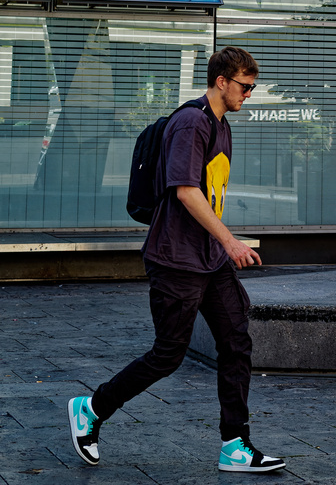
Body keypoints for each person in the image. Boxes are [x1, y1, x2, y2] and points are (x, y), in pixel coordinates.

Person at [67, 46, 285, 474]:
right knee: (168, 354)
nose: (249, 94)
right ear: (221, 81)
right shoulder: (191, 123)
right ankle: (91, 408)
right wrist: (231, 242)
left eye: (253, 87)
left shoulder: (221, 126)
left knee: (236, 343)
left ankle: (235, 445)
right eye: (245, 86)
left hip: (208, 259)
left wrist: (220, 246)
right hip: (176, 259)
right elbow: (186, 192)